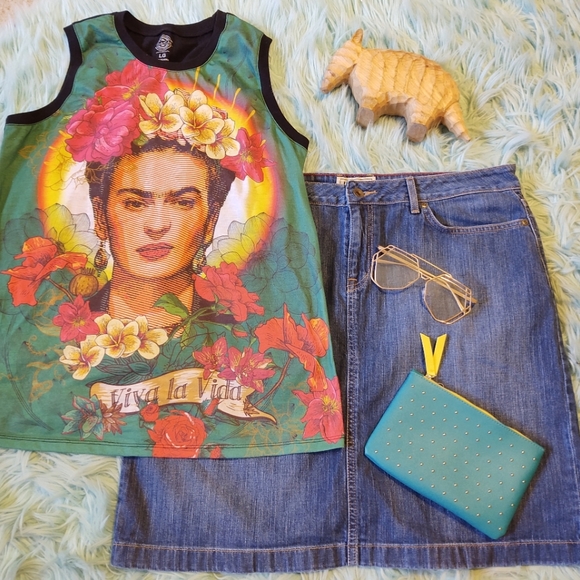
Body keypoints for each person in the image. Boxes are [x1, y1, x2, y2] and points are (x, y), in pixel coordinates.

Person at [87, 137, 235, 329]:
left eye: (183, 202)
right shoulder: (58, 330)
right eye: (135, 204)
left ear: (210, 221)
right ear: (101, 217)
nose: (156, 226)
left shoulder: (237, 334)